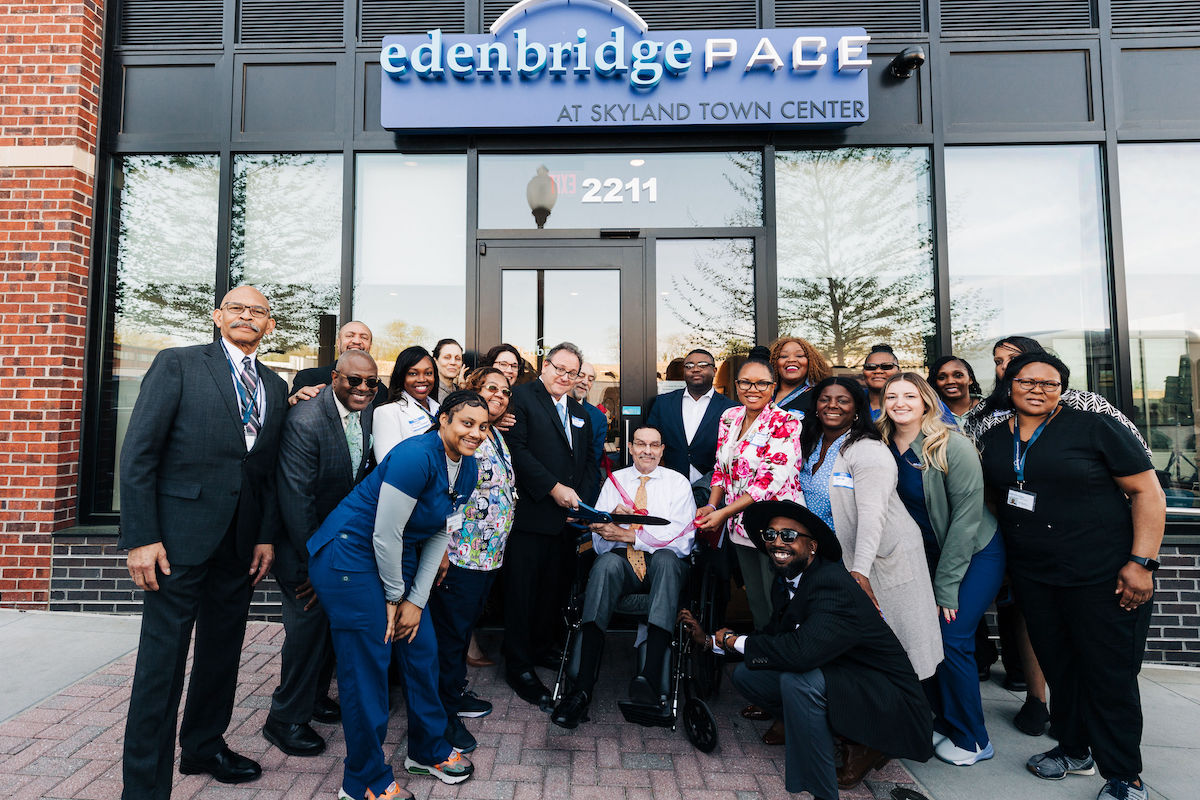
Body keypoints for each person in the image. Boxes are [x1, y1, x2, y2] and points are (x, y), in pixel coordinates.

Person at [118, 286, 287, 798]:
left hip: (238, 547)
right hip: (176, 544)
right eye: (236, 308)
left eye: (257, 311)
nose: (246, 316)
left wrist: (264, 538)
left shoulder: (275, 387)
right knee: (161, 667)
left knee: (221, 653)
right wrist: (142, 537)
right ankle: (145, 787)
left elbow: (266, 473)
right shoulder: (179, 365)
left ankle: (204, 746)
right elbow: (139, 453)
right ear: (217, 317)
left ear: (270, 326)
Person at [978, 352, 1165, 800]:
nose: (1038, 389)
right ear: (1010, 385)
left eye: (1050, 383)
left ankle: (1124, 776)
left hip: (1104, 575)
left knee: (1108, 675)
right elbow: (993, 499)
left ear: (1062, 388)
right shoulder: (994, 438)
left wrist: (1142, 563)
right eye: (1028, 381)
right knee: (1061, 667)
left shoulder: (1095, 427)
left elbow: (1147, 492)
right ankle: (1074, 749)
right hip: (1037, 576)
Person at [680, 500, 934, 798]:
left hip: (886, 700)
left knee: (797, 680)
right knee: (748, 674)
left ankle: (824, 789)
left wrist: (732, 640)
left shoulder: (831, 584)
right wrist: (712, 641)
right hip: (841, 677)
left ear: (812, 546)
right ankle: (808, 724)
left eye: (788, 536)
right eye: (770, 535)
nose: (777, 542)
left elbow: (801, 653)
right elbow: (773, 636)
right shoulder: (788, 579)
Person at [309, 391, 490, 799]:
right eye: (466, 423)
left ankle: (426, 750)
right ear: (443, 419)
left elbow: (442, 531)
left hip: (396, 559)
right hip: (351, 556)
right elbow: (384, 534)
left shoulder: (470, 467)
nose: (475, 433)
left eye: (483, 426)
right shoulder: (415, 456)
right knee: (369, 665)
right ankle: (363, 781)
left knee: (422, 648)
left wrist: (416, 602)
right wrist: (395, 600)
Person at [877, 373, 1005, 766]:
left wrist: (946, 587)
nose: (900, 402)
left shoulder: (952, 444)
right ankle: (943, 720)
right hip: (924, 555)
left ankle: (973, 739)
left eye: (909, 395)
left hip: (974, 553)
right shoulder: (880, 444)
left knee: (952, 639)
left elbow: (967, 520)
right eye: (892, 395)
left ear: (926, 401)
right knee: (921, 637)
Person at [267, 350, 380, 758]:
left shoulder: (367, 415)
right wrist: (318, 565)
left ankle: (313, 700)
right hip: (305, 550)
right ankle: (284, 721)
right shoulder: (306, 420)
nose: (364, 389)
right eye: (354, 381)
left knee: (324, 632)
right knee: (304, 636)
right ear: (335, 377)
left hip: (339, 549)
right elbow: (297, 501)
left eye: (372, 382)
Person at [551, 425, 698, 729]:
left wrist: (630, 534)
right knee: (605, 565)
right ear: (630, 448)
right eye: (641, 444)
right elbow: (604, 546)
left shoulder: (678, 483)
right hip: (624, 568)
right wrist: (607, 525)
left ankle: (651, 673)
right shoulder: (616, 482)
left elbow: (682, 539)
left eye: (654, 445)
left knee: (669, 559)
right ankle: (580, 691)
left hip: (663, 568)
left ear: (662, 450)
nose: (647, 451)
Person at [798, 376, 942, 681]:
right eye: (825, 399)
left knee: (900, 641)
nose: (832, 405)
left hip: (880, 555)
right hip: (834, 556)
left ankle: (914, 718)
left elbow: (872, 514)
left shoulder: (867, 449)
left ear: (857, 409)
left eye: (843, 400)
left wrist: (860, 571)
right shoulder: (811, 442)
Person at [502, 342, 599, 708]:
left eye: (571, 372)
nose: (564, 376)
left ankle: (542, 648)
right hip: (532, 515)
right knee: (522, 593)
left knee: (553, 591)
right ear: (545, 365)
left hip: (567, 520)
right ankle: (518, 666)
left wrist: (582, 502)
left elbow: (588, 461)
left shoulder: (580, 411)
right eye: (559, 368)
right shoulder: (522, 399)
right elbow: (518, 452)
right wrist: (554, 488)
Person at [428, 368, 517, 753]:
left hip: (487, 555)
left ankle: (455, 694)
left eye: (506, 390)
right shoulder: (462, 438)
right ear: (473, 393)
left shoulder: (493, 433)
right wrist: (443, 548)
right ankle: (442, 718)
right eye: (491, 389)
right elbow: (443, 495)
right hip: (460, 555)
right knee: (449, 638)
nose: (500, 395)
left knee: (462, 633)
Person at [697, 357, 803, 633]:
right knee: (756, 598)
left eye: (761, 383)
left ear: (773, 386)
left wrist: (723, 513)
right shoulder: (729, 417)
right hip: (740, 526)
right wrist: (712, 505)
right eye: (745, 382)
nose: (752, 389)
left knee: (780, 597)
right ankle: (762, 657)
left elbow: (766, 483)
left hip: (777, 526)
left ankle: (783, 659)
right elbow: (721, 468)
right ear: (736, 385)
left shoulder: (786, 422)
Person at [964, 335, 1150, 455]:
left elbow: (1139, 450)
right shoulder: (986, 409)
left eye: (1012, 358)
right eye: (998, 361)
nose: (1004, 366)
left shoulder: (1084, 402)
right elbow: (970, 462)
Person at [645, 348, 735, 484]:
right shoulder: (663, 403)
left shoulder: (731, 408)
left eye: (703, 365)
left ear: (714, 371)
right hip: (669, 483)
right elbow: (650, 441)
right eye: (689, 366)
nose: (695, 369)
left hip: (713, 488)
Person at [289, 320, 388, 408]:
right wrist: (292, 401)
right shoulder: (308, 378)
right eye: (350, 335)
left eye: (364, 337)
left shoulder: (380, 391)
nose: (357, 341)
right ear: (338, 343)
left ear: (370, 346)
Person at [373, 346, 439, 462]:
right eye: (413, 374)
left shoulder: (440, 409)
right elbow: (388, 464)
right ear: (401, 377)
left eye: (428, 373)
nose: (422, 379)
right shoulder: (386, 412)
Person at [770, 336, 832, 419]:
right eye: (784, 356)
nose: (791, 360)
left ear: (811, 361)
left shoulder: (819, 396)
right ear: (775, 362)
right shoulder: (763, 393)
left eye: (799, 356)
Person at [572, 361, 609, 490]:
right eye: (580, 375)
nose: (585, 382)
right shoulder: (553, 407)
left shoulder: (598, 418)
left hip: (583, 492)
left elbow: (593, 463)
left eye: (590, 379)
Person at [928, 355, 982, 427]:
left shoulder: (991, 408)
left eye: (958, 375)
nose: (950, 381)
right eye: (942, 377)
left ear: (970, 379)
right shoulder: (930, 415)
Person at [861, 344, 902, 420]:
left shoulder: (910, 403)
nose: (878, 371)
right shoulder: (852, 401)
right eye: (870, 367)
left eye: (887, 366)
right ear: (863, 372)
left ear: (899, 372)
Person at [432, 338, 464, 403]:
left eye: (458, 358)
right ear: (435, 361)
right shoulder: (430, 394)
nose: (453, 362)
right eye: (447, 357)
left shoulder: (460, 392)